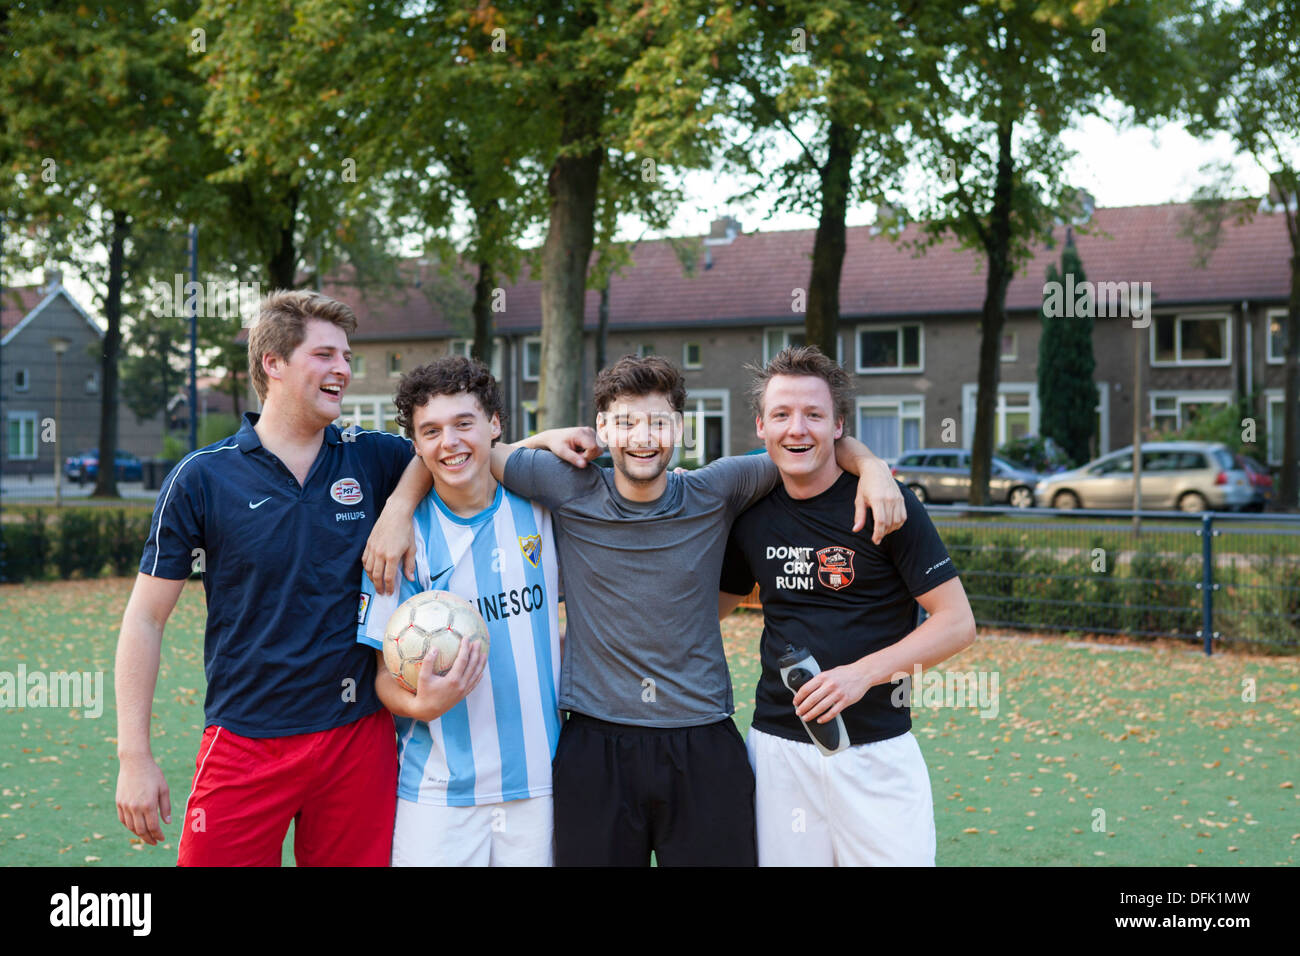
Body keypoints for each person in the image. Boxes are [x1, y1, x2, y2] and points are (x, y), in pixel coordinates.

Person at [455, 354, 905, 866]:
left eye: (658, 422)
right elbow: (471, 451)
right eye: (624, 422)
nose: (642, 437)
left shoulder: (718, 488)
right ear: (602, 428)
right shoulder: (568, 486)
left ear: (680, 429)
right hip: (595, 743)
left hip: (703, 743)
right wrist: (546, 437)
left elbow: (803, 444)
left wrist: (872, 467)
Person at [113, 290, 430, 866]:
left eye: (347, 357)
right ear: (273, 364)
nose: (343, 370)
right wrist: (134, 756)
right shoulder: (201, 478)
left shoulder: (371, 456)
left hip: (355, 737)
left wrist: (400, 507)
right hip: (245, 740)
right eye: (325, 355)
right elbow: (145, 617)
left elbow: (455, 449)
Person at [719, 346, 977, 866]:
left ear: (838, 425)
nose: (798, 429)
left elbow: (957, 624)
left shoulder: (887, 502)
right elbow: (709, 610)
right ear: (761, 426)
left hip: (877, 753)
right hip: (778, 753)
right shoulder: (748, 513)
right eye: (782, 415)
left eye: (814, 414)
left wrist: (859, 675)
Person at [357, 356, 563, 866]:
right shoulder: (399, 542)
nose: (449, 442)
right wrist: (420, 706)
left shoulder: (544, 510)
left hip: (540, 783)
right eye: (431, 431)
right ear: (417, 445)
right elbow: (383, 676)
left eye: (464, 424)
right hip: (437, 791)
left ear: (495, 424)